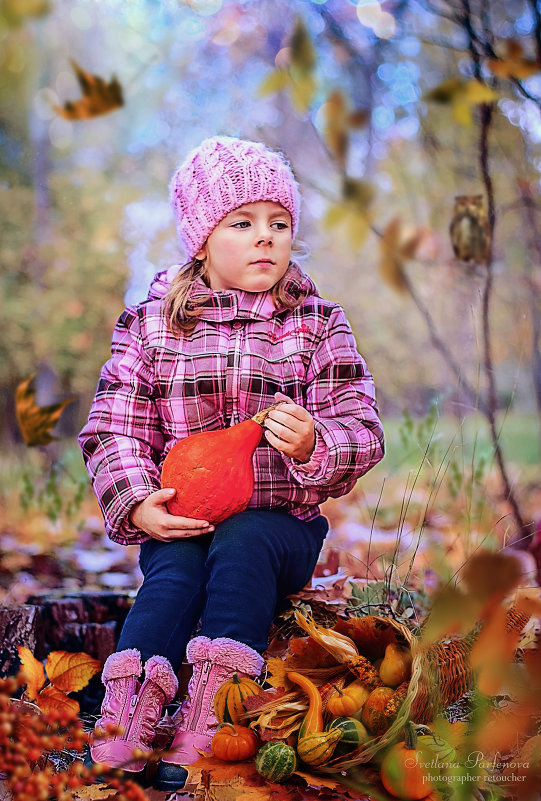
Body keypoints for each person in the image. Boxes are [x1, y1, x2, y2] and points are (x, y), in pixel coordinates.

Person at [78, 135, 385, 791]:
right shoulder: (152, 325)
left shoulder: (316, 324)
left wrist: (314, 442)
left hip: (281, 524)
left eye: (278, 223)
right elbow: (113, 425)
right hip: (185, 514)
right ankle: (127, 715)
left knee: (243, 539)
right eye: (241, 223)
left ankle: (214, 714)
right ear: (199, 237)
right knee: (174, 571)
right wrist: (136, 500)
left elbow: (361, 424)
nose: (264, 238)